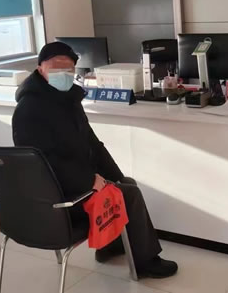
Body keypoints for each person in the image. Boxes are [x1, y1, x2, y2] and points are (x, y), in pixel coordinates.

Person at [12, 41, 178, 279]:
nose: (63, 73)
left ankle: (109, 245)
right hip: (58, 198)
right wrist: (88, 180)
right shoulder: (30, 109)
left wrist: (116, 176)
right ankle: (146, 262)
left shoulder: (66, 99)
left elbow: (92, 144)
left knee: (126, 184)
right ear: (40, 69)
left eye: (68, 69)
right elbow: (40, 165)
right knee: (128, 194)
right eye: (56, 67)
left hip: (71, 182)